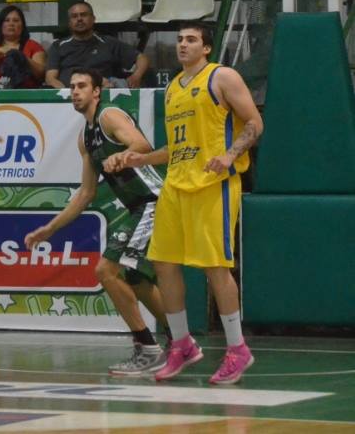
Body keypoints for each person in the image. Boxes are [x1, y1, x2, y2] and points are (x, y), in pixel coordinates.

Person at [111, 21, 263, 385]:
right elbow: (176, 148)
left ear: (206, 47)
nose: (182, 44)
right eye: (179, 39)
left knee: (215, 268)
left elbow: (255, 123)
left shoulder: (222, 77)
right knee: (163, 263)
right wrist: (142, 159)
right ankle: (181, 344)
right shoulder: (173, 88)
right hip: (176, 185)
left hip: (213, 184)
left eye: (191, 39)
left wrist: (229, 155)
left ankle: (238, 349)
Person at [24, 69, 170, 375]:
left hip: (153, 201)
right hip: (139, 207)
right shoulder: (85, 138)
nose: (75, 91)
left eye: (82, 86)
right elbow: (86, 194)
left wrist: (123, 155)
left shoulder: (109, 116)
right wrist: (49, 229)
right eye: (72, 87)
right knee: (137, 279)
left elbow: (142, 144)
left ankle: (147, 347)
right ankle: (179, 341)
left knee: (106, 270)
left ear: (96, 92)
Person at [45, 1, 149, 88]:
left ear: (93, 19)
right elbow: (50, 79)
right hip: (70, 95)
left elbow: (142, 58)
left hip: (103, 95)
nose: (79, 19)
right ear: (69, 23)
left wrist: (136, 76)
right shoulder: (58, 46)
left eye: (83, 15)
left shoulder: (108, 43)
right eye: (74, 16)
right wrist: (66, 94)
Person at [0, 5, 46, 88]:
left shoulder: (33, 46)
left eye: (16, 20)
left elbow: (42, 75)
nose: (11, 24)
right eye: (7, 20)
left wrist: (22, 57)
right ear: (1, 25)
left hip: (24, 91)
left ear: (22, 25)